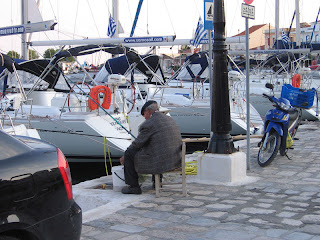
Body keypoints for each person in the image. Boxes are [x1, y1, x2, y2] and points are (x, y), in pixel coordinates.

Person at [120, 100, 182, 194]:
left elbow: (137, 144)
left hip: (161, 162)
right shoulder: (169, 119)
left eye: (144, 114)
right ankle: (157, 183)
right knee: (158, 148)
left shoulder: (148, 124)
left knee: (129, 153)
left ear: (148, 111)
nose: (145, 118)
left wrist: (125, 157)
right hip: (176, 159)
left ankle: (134, 187)